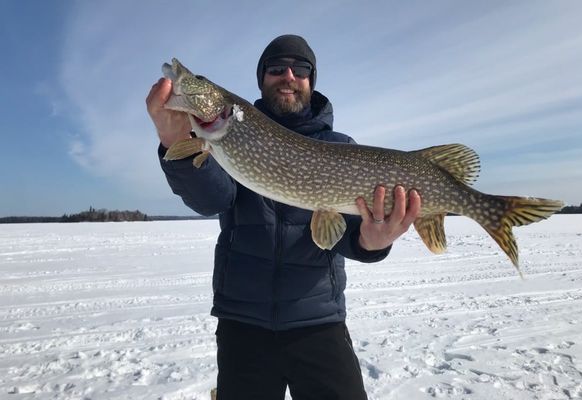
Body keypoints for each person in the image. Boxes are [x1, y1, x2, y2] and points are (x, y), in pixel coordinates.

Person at [146, 34, 421, 400]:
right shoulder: (228, 134)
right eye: (276, 69)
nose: (288, 75)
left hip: (318, 321)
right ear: (262, 79)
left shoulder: (341, 147)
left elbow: (349, 235)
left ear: (311, 80)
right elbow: (211, 198)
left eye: (300, 69)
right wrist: (172, 143)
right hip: (243, 322)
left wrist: (373, 242)